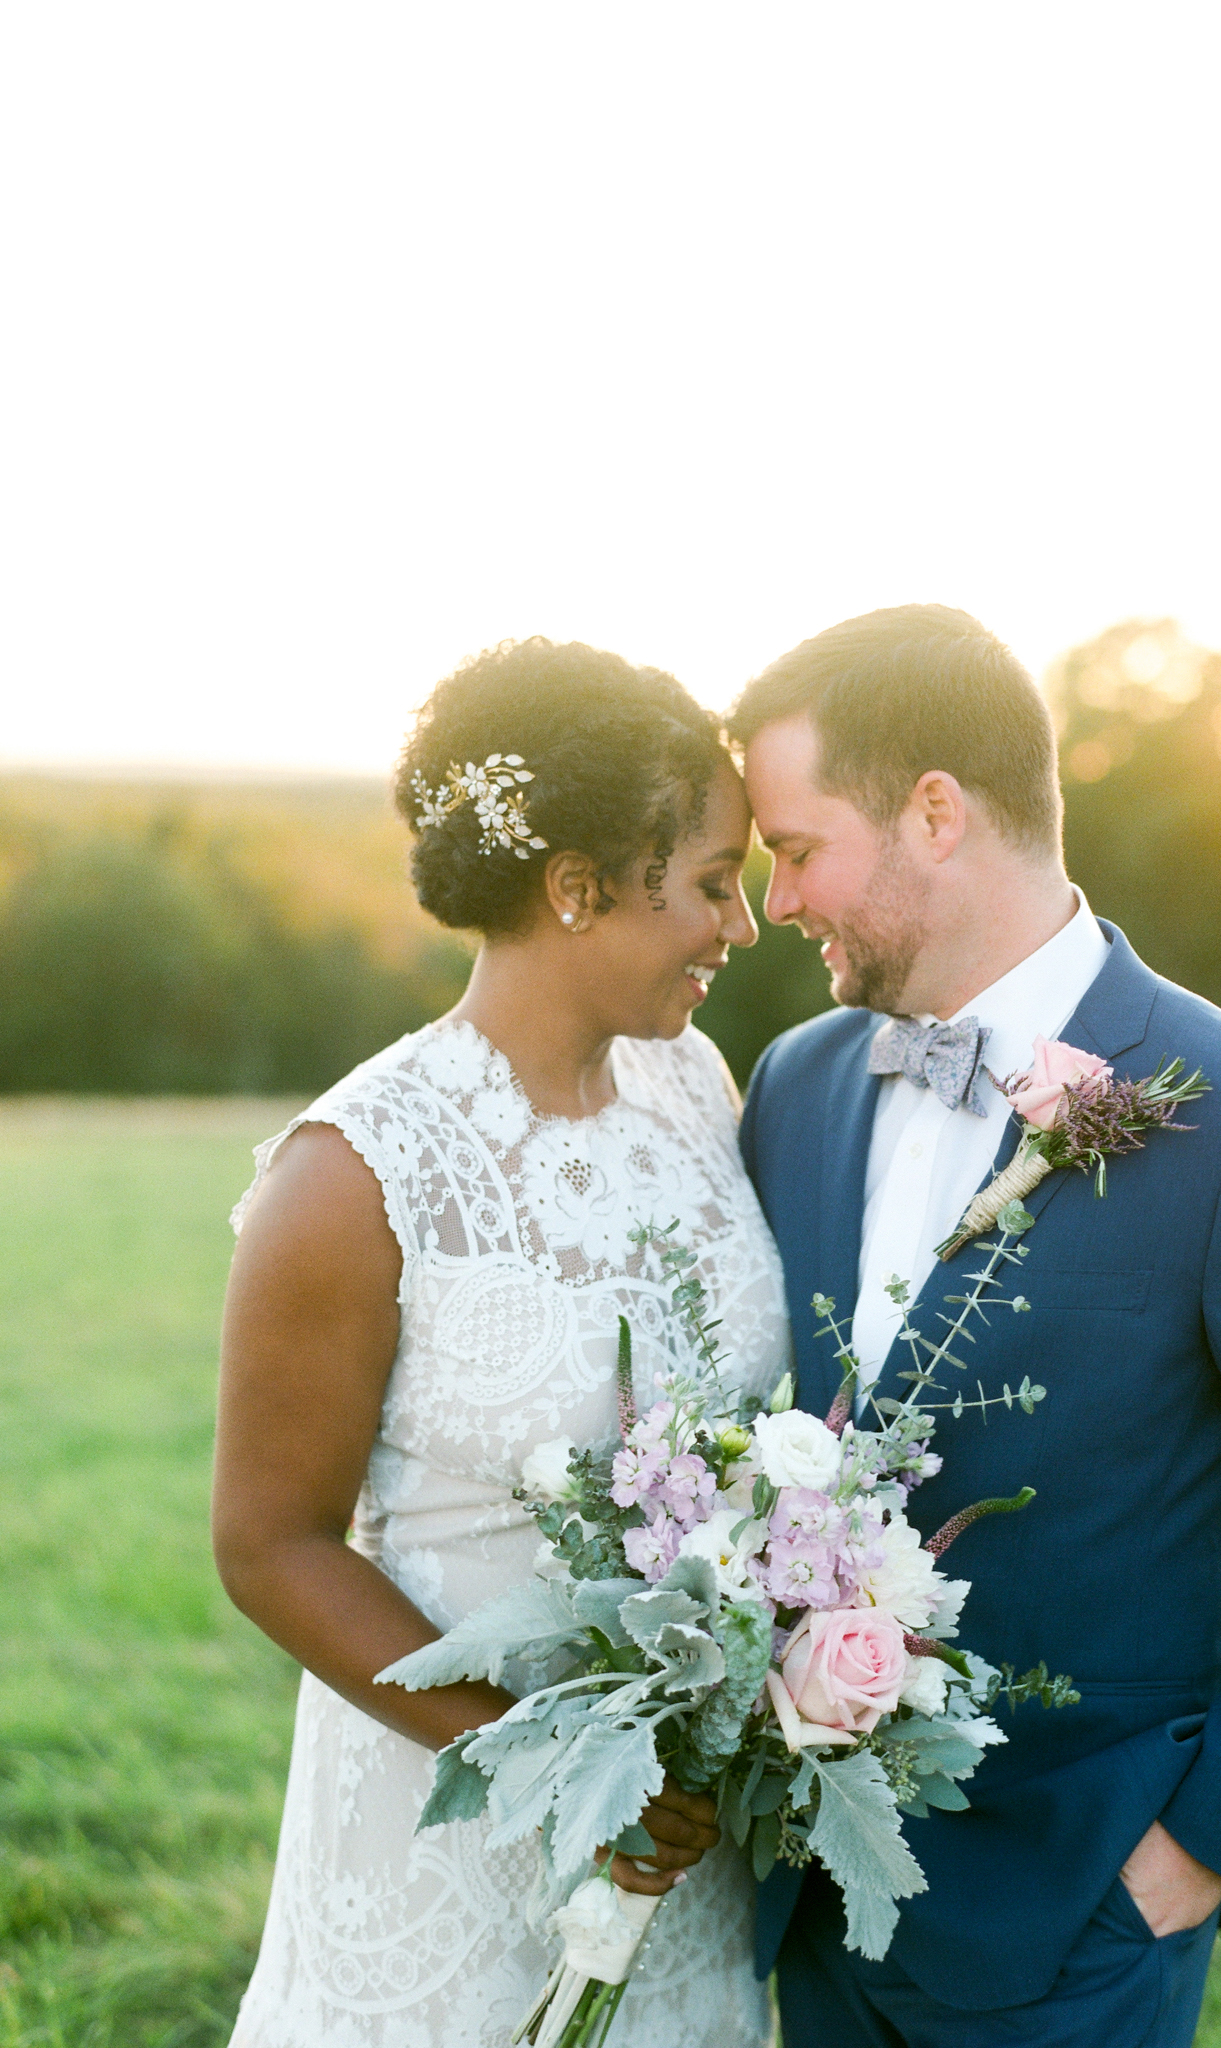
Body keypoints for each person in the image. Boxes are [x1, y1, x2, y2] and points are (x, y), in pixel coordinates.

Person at [731, 604, 1221, 2048]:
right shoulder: (798, 1080)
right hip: (807, 1897)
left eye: (798, 848)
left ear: (934, 813)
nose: (779, 900)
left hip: (1078, 1924)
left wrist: (1198, 1848)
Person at [214, 637, 785, 2048]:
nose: (745, 925)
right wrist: (565, 1768)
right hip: (447, 1831)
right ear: (580, 886)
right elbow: (269, 1544)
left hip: (680, 1850)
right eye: (715, 883)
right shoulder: (353, 1173)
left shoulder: (692, 1087)